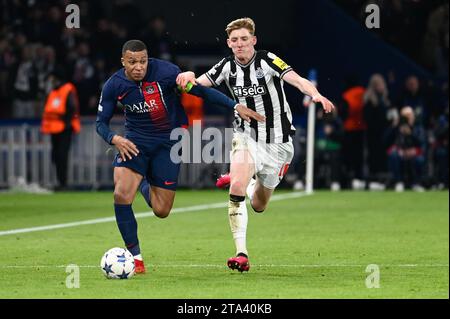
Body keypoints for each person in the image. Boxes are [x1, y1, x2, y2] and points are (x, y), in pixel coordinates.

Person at [177, 18, 334, 272]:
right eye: (235, 40)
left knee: (259, 205)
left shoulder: (267, 60)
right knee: (236, 187)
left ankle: (249, 182)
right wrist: (187, 75)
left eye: (244, 39)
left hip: (279, 145)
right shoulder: (226, 66)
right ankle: (241, 253)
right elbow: (197, 84)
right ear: (229, 43)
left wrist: (314, 93)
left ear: (253, 40)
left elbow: (296, 79)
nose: (239, 44)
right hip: (247, 137)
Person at [95, 39, 263, 274]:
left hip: (169, 142)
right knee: (121, 194)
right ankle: (136, 258)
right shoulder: (114, 85)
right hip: (135, 142)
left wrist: (234, 106)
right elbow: (100, 123)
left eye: (142, 61)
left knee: (161, 210)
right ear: (123, 61)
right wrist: (115, 139)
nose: (138, 67)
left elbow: (201, 92)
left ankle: (143, 180)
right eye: (132, 62)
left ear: (148, 59)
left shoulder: (166, 72)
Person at [41, 68, 81, 190]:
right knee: (56, 156)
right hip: (54, 128)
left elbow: (72, 108)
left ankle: (63, 183)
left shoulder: (67, 89)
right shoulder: (53, 91)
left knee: (62, 155)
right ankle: (60, 181)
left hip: (65, 128)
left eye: (52, 78)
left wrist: (67, 123)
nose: (50, 81)